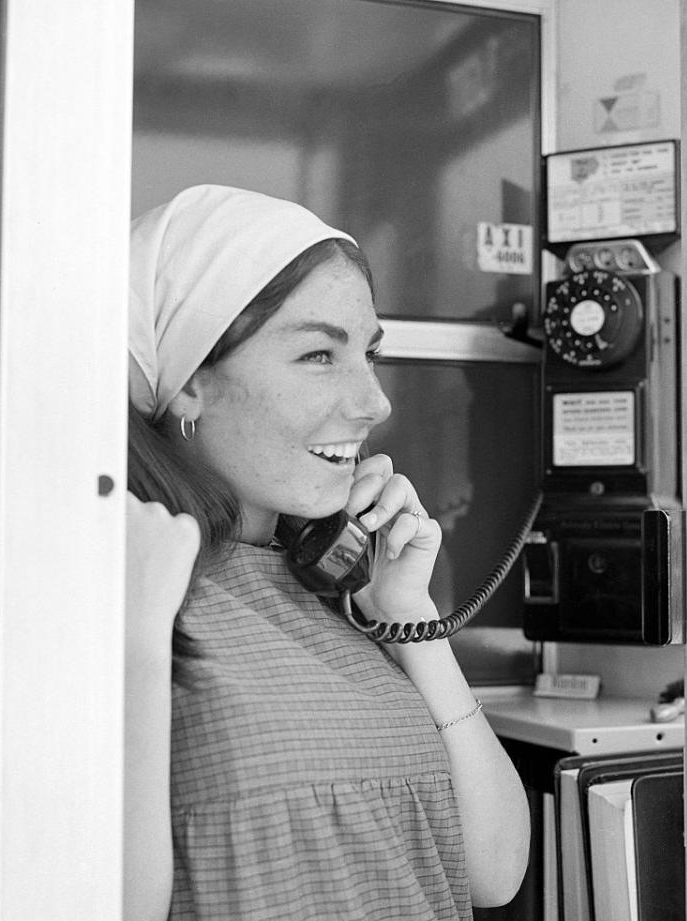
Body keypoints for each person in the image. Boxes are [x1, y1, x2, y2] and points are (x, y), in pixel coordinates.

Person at [124, 184, 530, 921]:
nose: (375, 401)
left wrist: (412, 617)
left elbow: (494, 869)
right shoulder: (134, 592)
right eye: (318, 354)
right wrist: (137, 642)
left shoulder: (341, 587)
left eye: (368, 354)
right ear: (190, 384)